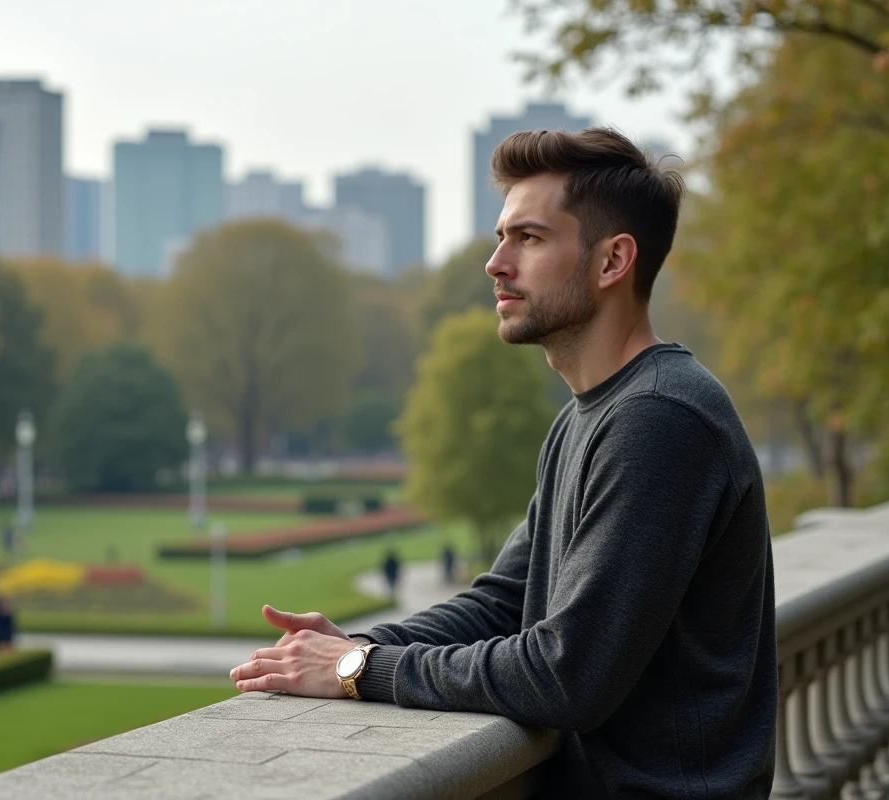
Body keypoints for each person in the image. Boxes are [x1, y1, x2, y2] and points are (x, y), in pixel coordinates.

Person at [230, 128, 777, 797]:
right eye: (501, 237)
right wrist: (357, 645)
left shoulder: (661, 419)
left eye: (530, 238)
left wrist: (357, 667)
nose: (496, 263)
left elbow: (565, 675)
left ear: (612, 262)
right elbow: (504, 603)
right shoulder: (589, 415)